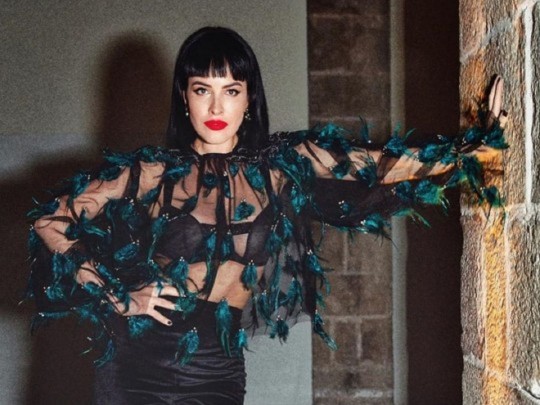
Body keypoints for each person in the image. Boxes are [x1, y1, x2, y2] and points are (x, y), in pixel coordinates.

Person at [27, 26, 506, 404]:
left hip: (216, 369)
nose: (216, 106)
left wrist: (474, 149)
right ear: (184, 98)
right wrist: (120, 296)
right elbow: (51, 220)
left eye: (231, 90)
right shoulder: (154, 173)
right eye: (202, 89)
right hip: (137, 367)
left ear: (249, 98)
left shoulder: (281, 166)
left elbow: (378, 165)